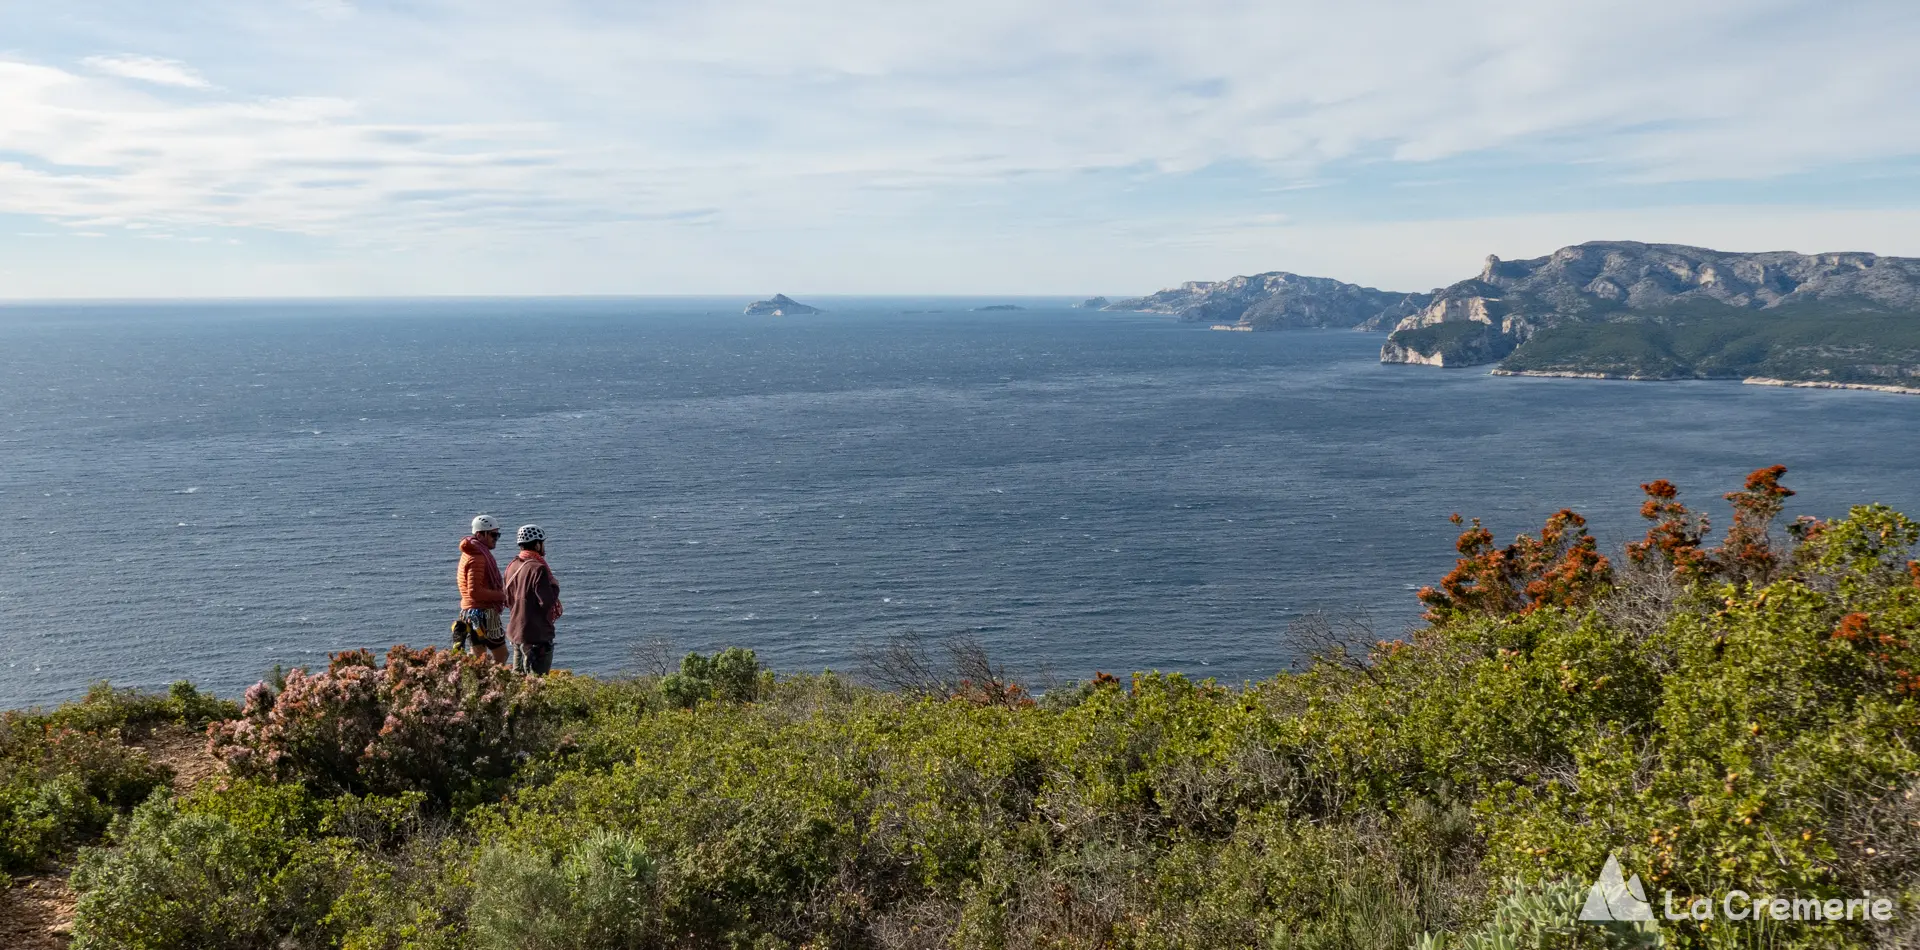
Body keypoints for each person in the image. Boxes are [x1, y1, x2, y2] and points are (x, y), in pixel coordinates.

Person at [503, 524, 562, 675]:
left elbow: (508, 599)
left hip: (517, 633)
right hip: (536, 635)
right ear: (536, 544)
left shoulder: (512, 566)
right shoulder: (538, 568)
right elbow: (546, 602)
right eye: (542, 543)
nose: (544, 547)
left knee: (518, 682)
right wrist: (555, 586)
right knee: (537, 683)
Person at [454, 515, 510, 662]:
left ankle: (478, 682)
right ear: (480, 534)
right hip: (482, 614)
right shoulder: (477, 556)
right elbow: (475, 592)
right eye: (493, 534)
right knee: (501, 655)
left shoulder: (470, 552)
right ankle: (493, 683)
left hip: (469, 612)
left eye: (497, 535)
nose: (495, 538)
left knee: (478, 657)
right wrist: (503, 596)